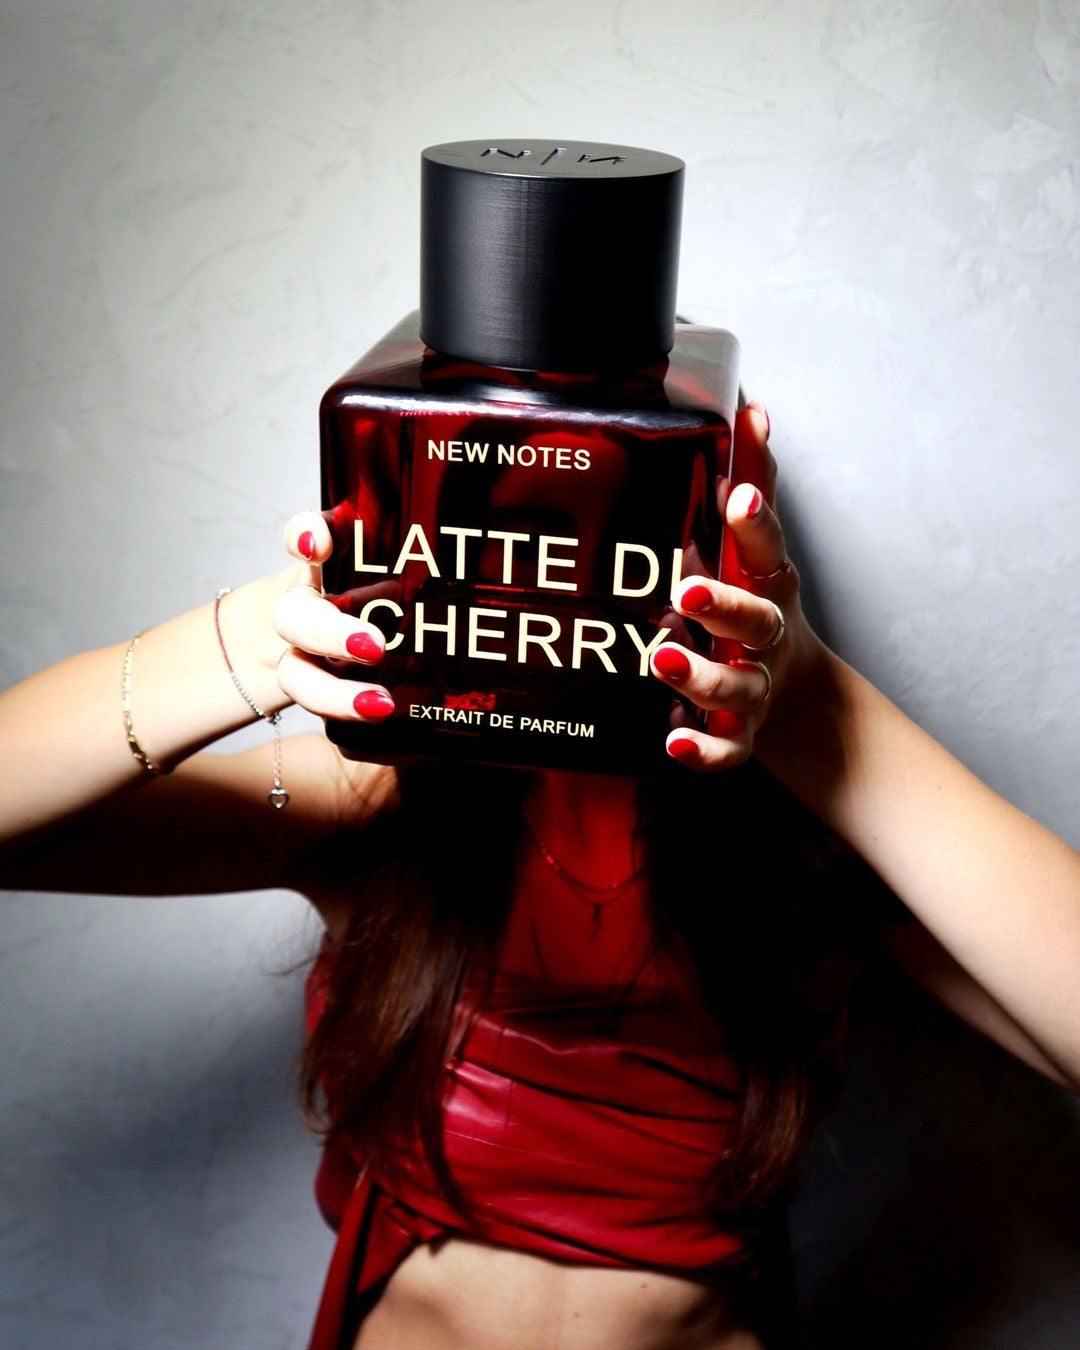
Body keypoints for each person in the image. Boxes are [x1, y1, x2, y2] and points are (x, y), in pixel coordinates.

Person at [1, 403, 1077, 1350]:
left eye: (630, 518)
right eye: (527, 526)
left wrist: (809, 710)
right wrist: (259, 635)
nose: (573, 574)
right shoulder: (375, 800)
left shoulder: (801, 850)